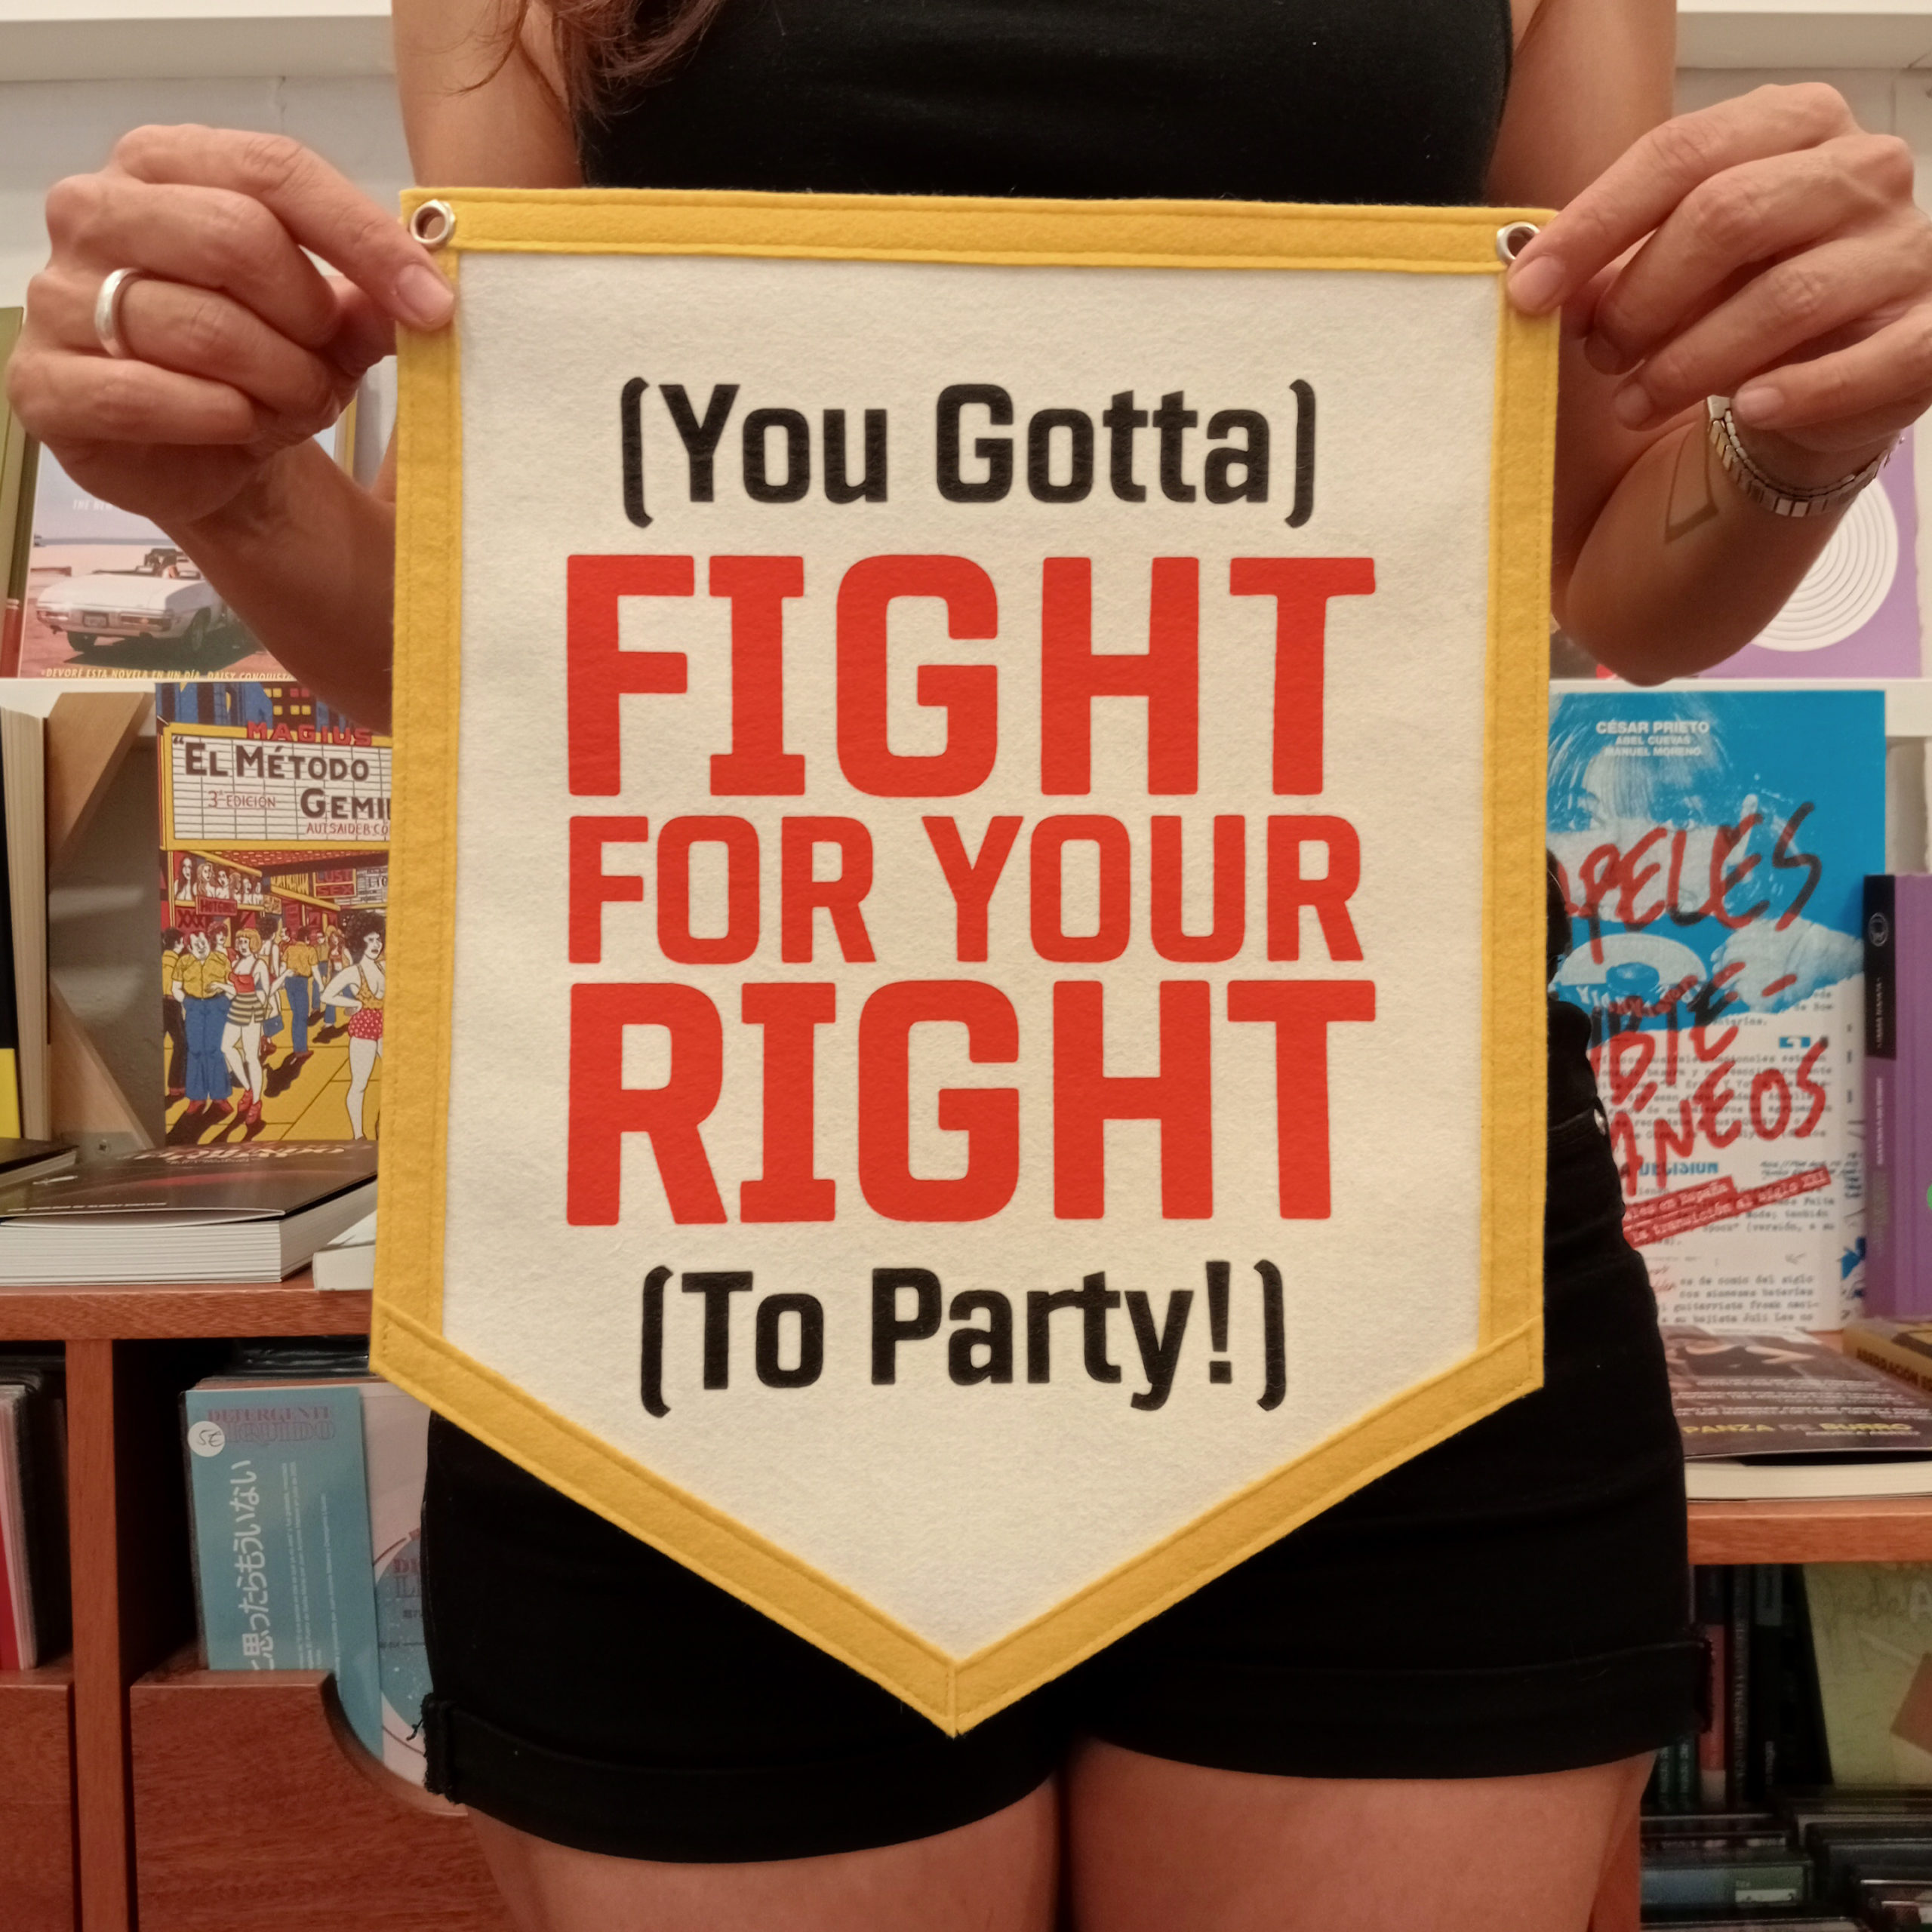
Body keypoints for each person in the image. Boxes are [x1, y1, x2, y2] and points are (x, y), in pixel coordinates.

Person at [10, 2, 1932, 1925]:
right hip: (712, 1249)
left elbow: (1599, 575)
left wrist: (1798, 429)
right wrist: (224, 481)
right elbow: (517, 623)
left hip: (1365, 1208)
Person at [317, 921, 383, 1139]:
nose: (376, 944)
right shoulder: (353, 972)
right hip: (364, 1029)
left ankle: (383, 1122)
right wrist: (353, 1004)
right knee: (360, 1084)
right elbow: (327, 995)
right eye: (370, 940)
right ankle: (358, 1135)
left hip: (386, 1026)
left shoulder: (384, 967)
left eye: (378, 939)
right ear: (359, 943)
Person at [171, 927, 232, 1132]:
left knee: (214, 1050)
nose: (200, 947)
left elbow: (232, 985)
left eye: (203, 942)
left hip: (216, 1006)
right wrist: (188, 1002)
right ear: (189, 947)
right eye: (195, 944)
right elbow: (175, 988)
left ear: (209, 942)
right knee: (196, 1051)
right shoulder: (183, 963)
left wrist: (224, 999)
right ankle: (197, 1098)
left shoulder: (221, 960)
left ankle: (220, 1097)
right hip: (195, 1007)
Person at [219, 921, 272, 1129]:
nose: (242, 945)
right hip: (236, 1008)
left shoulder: (259, 965)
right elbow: (233, 991)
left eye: (246, 942)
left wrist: (256, 1003)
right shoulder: (235, 964)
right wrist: (219, 987)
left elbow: (266, 992)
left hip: (251, 1011)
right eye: (240, 941)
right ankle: (248, 1088)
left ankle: (256, 1101)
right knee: (226, 1047)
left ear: (254, 943)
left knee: (251, 1057)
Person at [159, 926, 187, 1100]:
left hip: (161, 1005)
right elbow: (175, 989)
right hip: (172, 1005)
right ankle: (176, 1086)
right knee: (182, 1045)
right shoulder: (177, 962)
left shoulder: (162, 959)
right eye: (182, 942)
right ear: (178, 943)